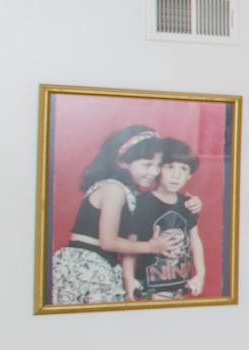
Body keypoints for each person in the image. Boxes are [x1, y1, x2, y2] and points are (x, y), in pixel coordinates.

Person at [49, 125, 178, 306]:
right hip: (85, 267)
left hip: (101, 264)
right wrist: (152, 246)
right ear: (122, 162)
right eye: (146, 165)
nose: (154, 172)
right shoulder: (113, 190)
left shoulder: (129, 192)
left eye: (158, 165)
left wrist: (190, 201)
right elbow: (108, 242)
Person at [126, 138, 206, 300]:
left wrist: (201, 273)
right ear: (158, 169)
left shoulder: (188, 204)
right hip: (150, 287)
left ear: (189, 175)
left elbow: (195, 240)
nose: (176, 175)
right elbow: (130, 245)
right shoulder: (142, 203)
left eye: (183, 169)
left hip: (181, 286)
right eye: (170, 167)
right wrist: (129, 278)